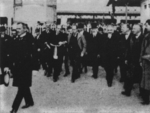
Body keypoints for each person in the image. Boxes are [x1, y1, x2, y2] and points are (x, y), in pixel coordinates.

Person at [10, 22, 34, 113]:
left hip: (26, 68)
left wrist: (35, 68)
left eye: (19, 28)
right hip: (18, 67)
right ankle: (30, 102)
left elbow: (34, 54)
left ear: (24, 29)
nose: (17, 30)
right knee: (24, 86)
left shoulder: (29, 39)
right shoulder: (16, 39)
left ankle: (14, 108)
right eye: (17, 28)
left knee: (21, 87)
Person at [121, 24, 143, 97]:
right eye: (132, 28)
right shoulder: (132, 37)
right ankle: (127, 91)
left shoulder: (143, 37)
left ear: (139, 29)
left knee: (141, 77)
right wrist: (126, 58)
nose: (132, 30)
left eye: (134, 28)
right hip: (131, 60)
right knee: (128, 76)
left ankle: (142, 93)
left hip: (140, 61)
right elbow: (128, 49)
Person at [140, 19, 150, 105]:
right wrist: (141, 59)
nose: (145, 26)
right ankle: (146, 99)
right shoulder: (146, 36)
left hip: (148, 60)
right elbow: (142, 49)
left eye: (147, 25)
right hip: (145, 62)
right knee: (145, 81)